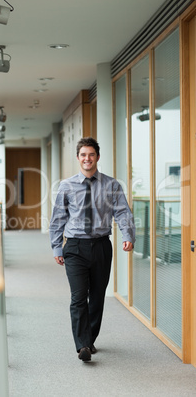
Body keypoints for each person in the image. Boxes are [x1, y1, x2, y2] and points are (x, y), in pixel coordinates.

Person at [49, 137, 135, 362]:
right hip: (75, 246)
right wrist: (57, 247)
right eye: (83, 155)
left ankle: (90, 339)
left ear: (97, 157)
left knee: (97, 297)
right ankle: (82, 345)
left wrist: (127, 234)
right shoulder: (66, 186)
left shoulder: (111, 185)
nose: (87, 158)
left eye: (91, 154)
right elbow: (58, 218)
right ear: (78, 158)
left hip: (101, 246)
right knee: (78, 297)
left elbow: (123, 212)